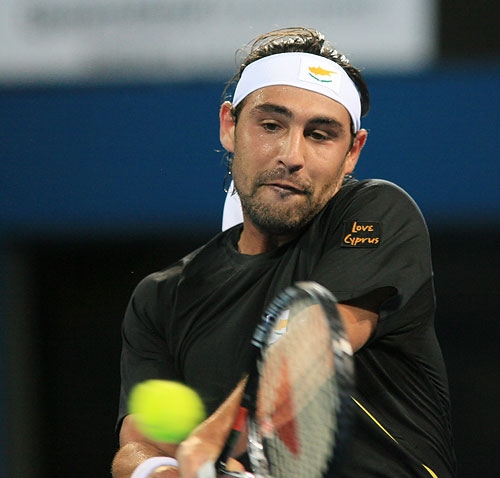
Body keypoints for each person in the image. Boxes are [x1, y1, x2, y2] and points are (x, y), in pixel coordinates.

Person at [112, 27, 456, 477]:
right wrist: (161, 472)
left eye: (320, 135)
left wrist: (215, 437)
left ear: (353, 151)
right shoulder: (161, 298)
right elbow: (138, 446)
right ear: (230, 126)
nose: (292, 155)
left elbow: (314, 342)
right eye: (271, 125)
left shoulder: (378, 212)